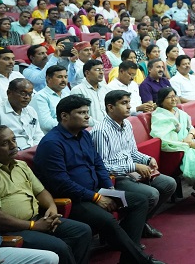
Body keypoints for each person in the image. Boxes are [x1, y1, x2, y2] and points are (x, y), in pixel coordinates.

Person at [33, 96, 165, 264]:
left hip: (97, 191)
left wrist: (110, 189)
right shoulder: (52, 143)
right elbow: (61, 183)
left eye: (87, 112)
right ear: (64, 116)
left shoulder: (85, 136)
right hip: (74, 200)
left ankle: (128, 258)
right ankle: (140, 260)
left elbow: (98, 164)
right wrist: (96, 197)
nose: (87, 116)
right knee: (107, 219)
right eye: (81, 113)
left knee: (139, 201)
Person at [0, 125, 92, 264]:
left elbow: (41, 191)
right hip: (12, 229)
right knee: (60, 248)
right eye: (5, 143)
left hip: (38, 218)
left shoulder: (21, 165)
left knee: (82, 231)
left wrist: (52, 208)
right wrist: (33, 225)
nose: (13, 145)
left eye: (13, 140)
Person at [90, 90, 176, 239]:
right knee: (152, 194)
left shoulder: (127, 124)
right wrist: (134, 167)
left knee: (169, 183)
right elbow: (102, 167)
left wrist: (147, 159)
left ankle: (138, 224)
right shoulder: (101, 130)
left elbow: (132, 152)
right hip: (115, 178)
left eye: (129, 103)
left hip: (131, 172)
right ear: (110, 107)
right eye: (124, 103)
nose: (129, 107)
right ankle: (128, 234)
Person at [0, 79, 43, 150]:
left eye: (30, 94)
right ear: (9, 93)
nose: (27, 97)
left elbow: (38, 135)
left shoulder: (31, 110)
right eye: (23, 93)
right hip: (11, 154)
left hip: (34, 151)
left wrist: (36, 150)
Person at [70, 60, 111, 127]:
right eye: (97, 70)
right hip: (89, 130)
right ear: (87, 73)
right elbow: (80, 115)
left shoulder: (106, 89)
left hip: (109, 128)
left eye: (102, 70)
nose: (101, 72)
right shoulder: (78, 90)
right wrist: (101, 126)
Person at [32, 66, 72, 134]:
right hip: (52, 137)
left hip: (69, 133)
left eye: (65, 77)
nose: (63, 80)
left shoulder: (67, 94)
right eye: (59, 77)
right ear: (48, 79)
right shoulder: (40, 96)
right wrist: (72, 123)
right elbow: (46, 124)